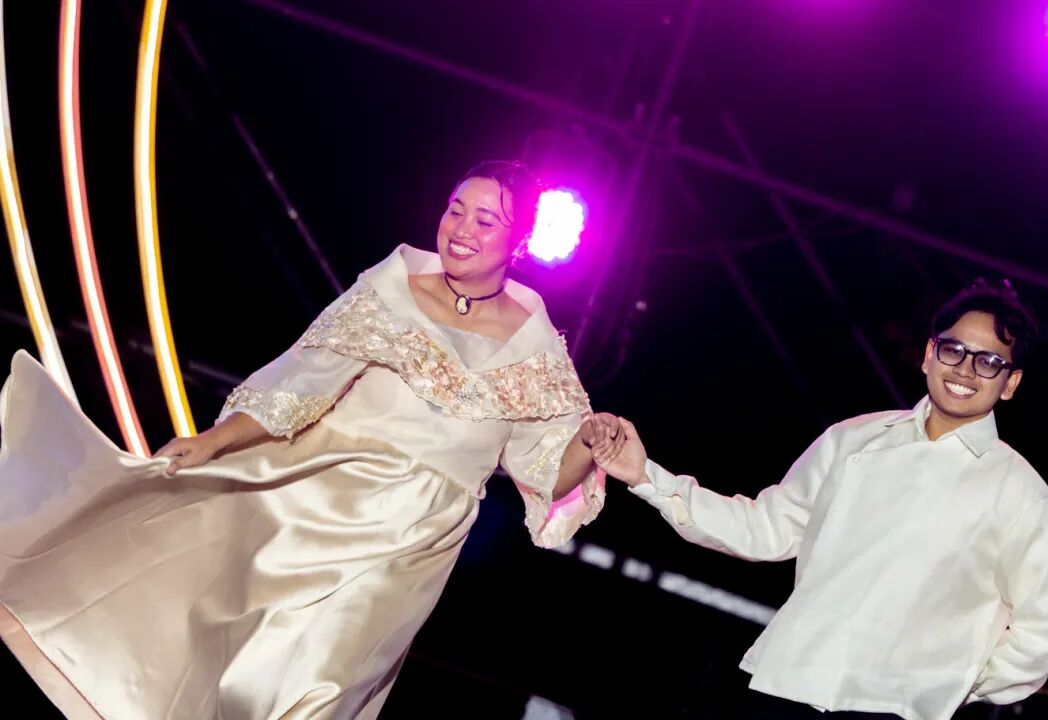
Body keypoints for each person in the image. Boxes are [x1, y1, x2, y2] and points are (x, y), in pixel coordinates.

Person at [0, 160, 622, 719]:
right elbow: (305, 379)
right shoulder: (395, 283)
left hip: (412, 545)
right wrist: (215, 440)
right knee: (229, 647)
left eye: (485, 220)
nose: (461, 228)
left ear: (520, 242)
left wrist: (593, 442)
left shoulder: (536, 345)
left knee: (324, 684)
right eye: (456, 209)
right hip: (316, 499)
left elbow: (546, 470)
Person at [594, 279, 1048, 720]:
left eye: (989, 361)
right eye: (954, 350)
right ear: (929, 354)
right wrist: (646, 477)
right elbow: (764, 529)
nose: (966, 370)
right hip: (788, 687)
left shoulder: (1021, 493)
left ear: (1010, 382)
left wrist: (958, 684)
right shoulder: (853, 439)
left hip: (897, 711)